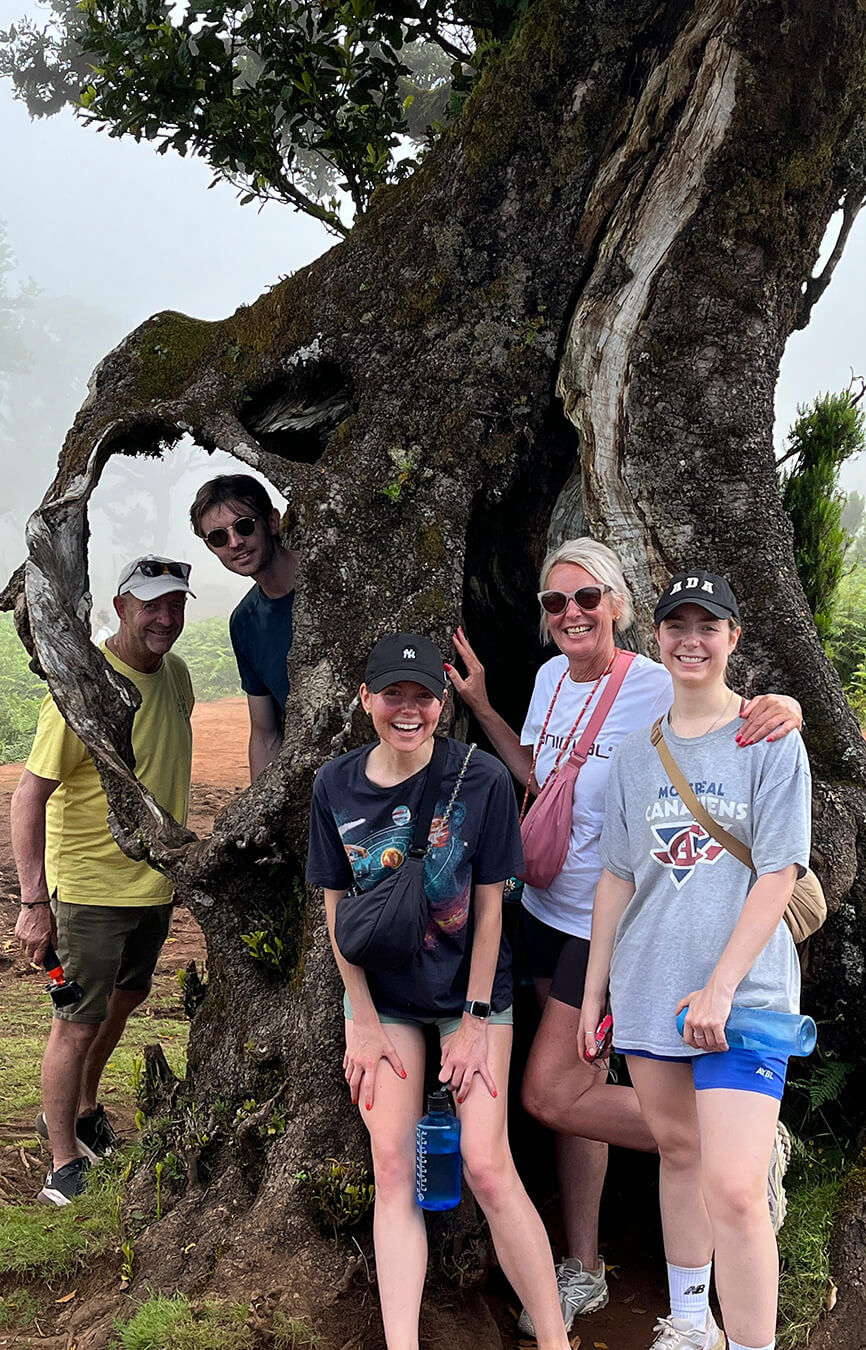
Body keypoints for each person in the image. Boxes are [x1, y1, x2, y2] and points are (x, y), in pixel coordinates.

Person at [447, 537, 802, 1335]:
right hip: (550, 908)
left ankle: (740, 1142)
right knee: (574, 1096)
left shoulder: (649, 683)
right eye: (555, 602)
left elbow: (723, 714)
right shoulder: (545, 680)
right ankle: (584, 1264)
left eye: (587, 599)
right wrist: (481, 709)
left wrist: (790, 709)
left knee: (554, 1091)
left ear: (618, 607)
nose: (570, 613)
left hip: (616, 928)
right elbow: (539, 774)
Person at [306, 632, 573, 1350]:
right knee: (391, 1163)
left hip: (471, 992)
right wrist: (358, 1018)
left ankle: (554, 1340)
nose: (408, 709)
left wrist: (478, 1017)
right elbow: (336, 907)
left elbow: (492, 905)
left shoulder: (480, 778)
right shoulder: (335, 784)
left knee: (487, 1164)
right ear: (365, 700)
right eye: (392, 694)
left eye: (422, 695)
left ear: (441, 704)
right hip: (383, 998)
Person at [578, 570, 812, 1350]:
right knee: (678, 1153)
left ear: (732, 639)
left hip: (746, 995)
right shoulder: (640, 758)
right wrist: (592, 994)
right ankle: (688, 1321)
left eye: (708, 627)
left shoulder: (770, 739)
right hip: (648, 986)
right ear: (656, 639)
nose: (691, 640)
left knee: (737, 1186)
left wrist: (720, 986)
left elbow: (779, 872)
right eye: (676, 626)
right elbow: (616, 877)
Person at [12, 556, 196, 1205]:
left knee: (126, 1000)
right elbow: (28, 796)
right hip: (87, 895)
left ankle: (85, 1111)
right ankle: (62, 1163)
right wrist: (35, 903)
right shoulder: (83, 688)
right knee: (74, 1022)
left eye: (175, 604)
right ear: (120, 607)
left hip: (151, 890)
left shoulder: (176, 674)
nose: (166, 618)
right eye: (151, 605)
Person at [189, 474, 297, 781]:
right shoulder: (244, 623)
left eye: (245, 526)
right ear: (211, 548)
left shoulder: (333, 578)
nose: (235, 542)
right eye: (219, 537)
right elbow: (265, 735)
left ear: (272, 522)